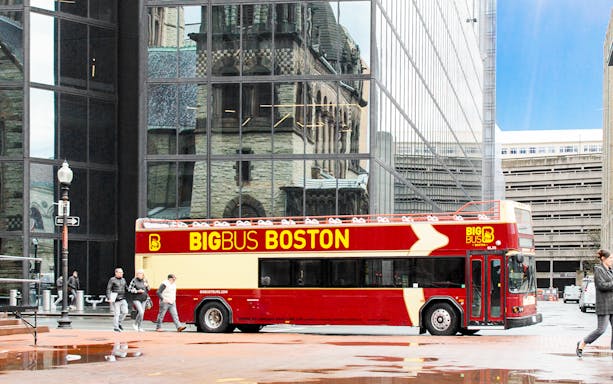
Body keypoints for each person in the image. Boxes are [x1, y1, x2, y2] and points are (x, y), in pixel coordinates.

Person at [576, 249, 613, 357]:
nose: (612, 260)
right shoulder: (598, 270)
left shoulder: (610, 270)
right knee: (601, 330)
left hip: (612, 304)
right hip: (604, 305)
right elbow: (601, 285)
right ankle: (582, 343)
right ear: (603, 258)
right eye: (610, 258)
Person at [106, 267, 128, 332]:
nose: (122, 274)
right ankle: (116, 327)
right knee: (117, 313)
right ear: (116, 273)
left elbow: (126, 287)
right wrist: (108, 297)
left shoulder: (123, 279)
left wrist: (132, 290)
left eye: (122, 272)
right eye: (120, 272)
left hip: (123, 298)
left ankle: (119, 323)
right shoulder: (112, 279)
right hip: (116, 299)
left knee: (125, 312)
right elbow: (108, 289)